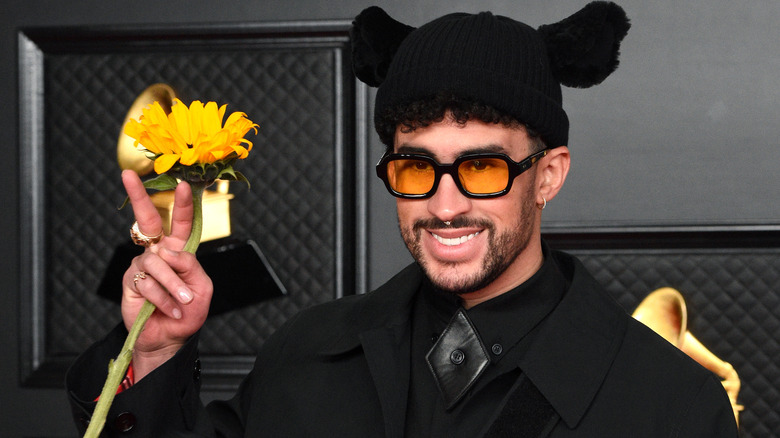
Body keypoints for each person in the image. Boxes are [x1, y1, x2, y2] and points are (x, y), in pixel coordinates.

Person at [67, 3, 739, 437]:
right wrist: (152, 355)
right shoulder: (303, 356)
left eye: (481, 168)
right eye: (417, 168)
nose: (444, 207)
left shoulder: (671, 405)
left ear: (549, 174)